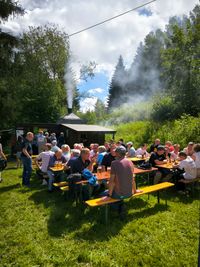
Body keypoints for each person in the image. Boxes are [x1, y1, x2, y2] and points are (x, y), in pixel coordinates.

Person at [106, 146, 141, 218]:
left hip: (120, 194)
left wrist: (108, 196)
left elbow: (112, 181)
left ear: (118, 154)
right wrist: (135, 190)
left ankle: (119, 207)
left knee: (102, 194)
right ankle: (120, 204)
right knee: (110, 186)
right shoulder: (130, 162)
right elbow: (132, 178)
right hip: (130, 193)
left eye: (116, 152)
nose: (114, 153)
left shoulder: (114, 163)